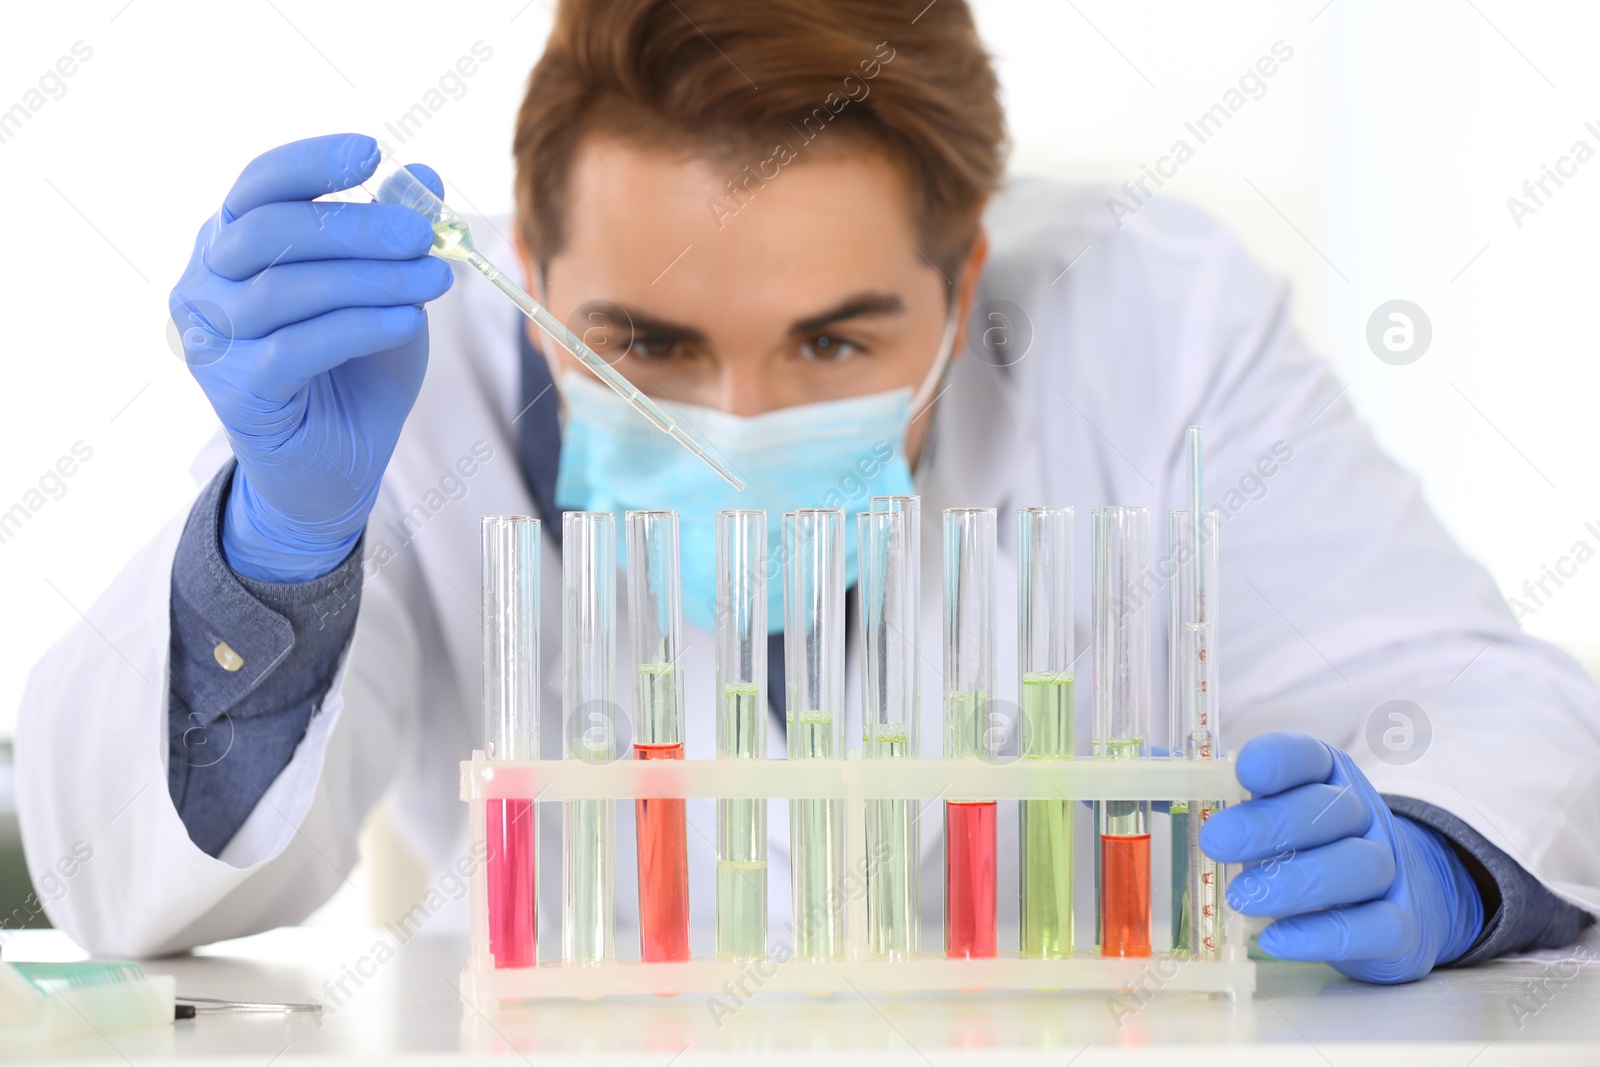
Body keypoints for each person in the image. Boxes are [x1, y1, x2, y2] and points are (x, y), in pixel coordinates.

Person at [17, 0, 1597, 983]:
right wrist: (277, 547)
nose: (738, 420)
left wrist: (1447, 861)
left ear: (965, 282)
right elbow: (120, 891)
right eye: (642, 341)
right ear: (532, 270)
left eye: (835, 338)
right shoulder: (407, 396)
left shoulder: (1148, 318)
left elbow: (1477, 698)